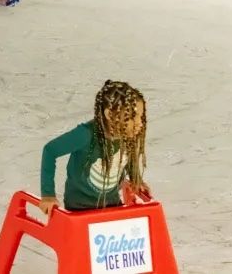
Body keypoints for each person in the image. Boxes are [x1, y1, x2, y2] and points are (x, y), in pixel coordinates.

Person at [39, 80, 150, 214]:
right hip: (80, 208)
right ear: (109, 114)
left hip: (112, 205)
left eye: (140, 117)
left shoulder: (127, 135)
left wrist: (135, 178)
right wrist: (48, 195)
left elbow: (127, 156)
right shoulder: (85, 134)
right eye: (132, 117)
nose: (139, 124)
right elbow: (50, 151)